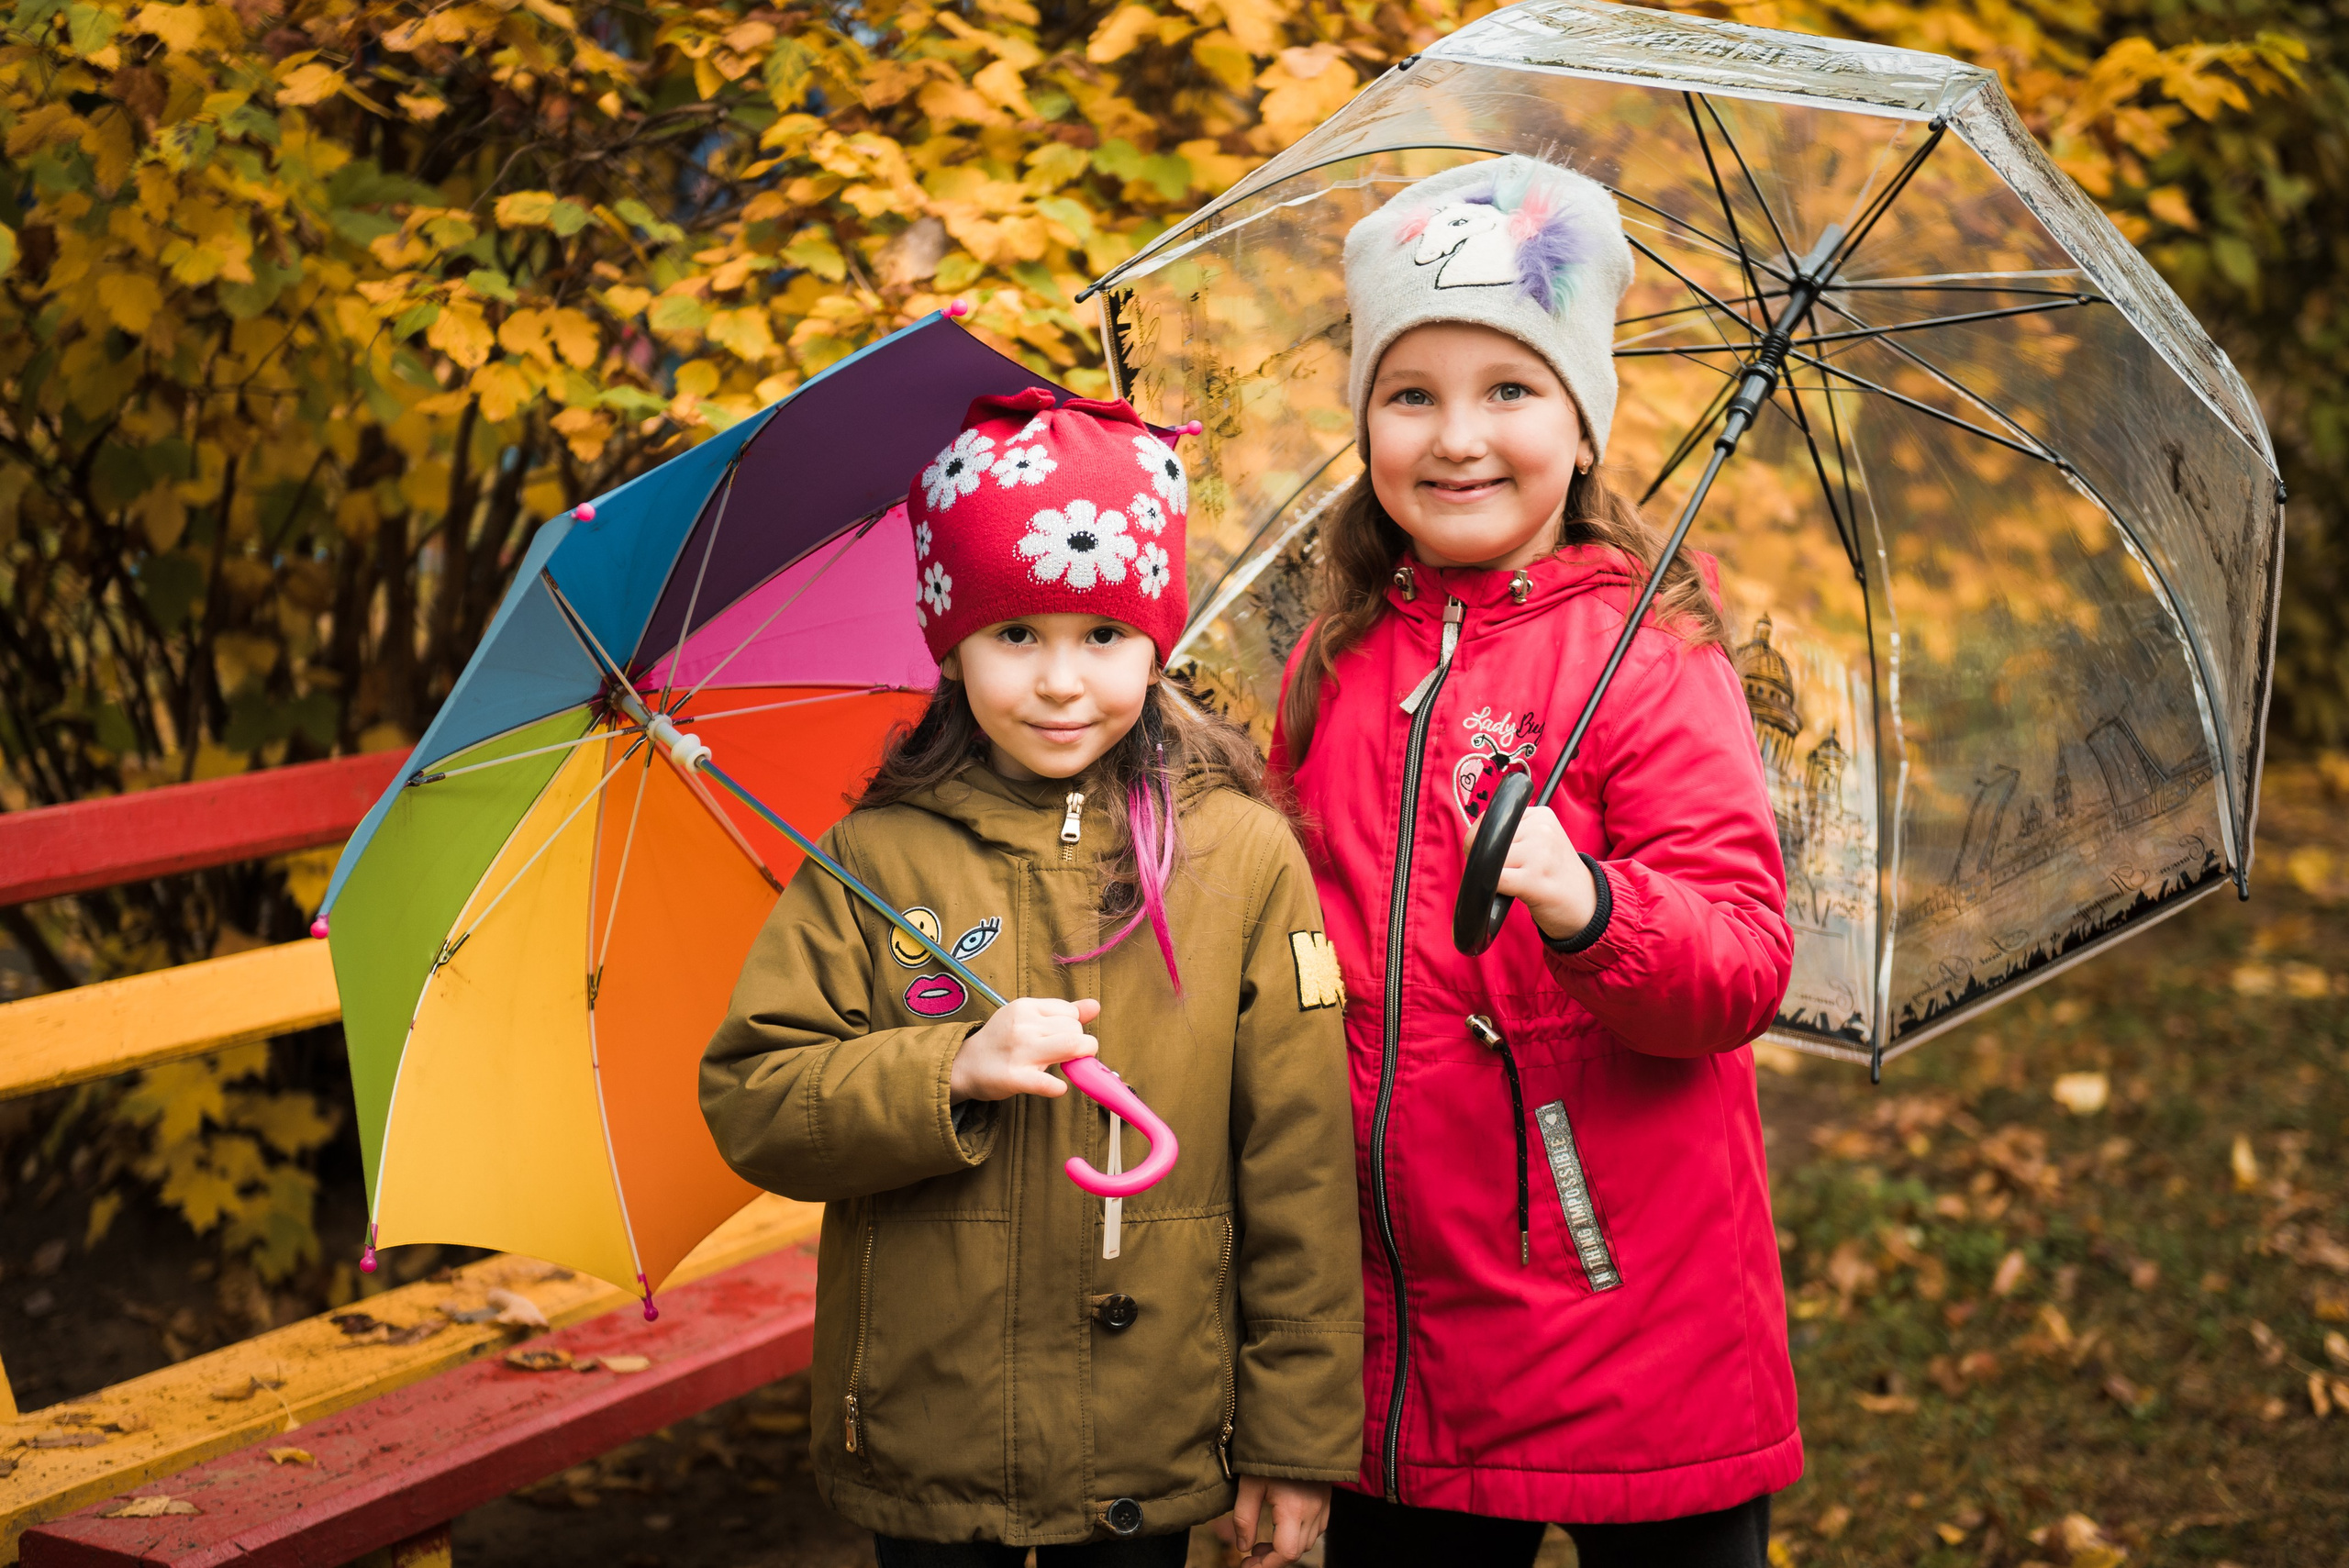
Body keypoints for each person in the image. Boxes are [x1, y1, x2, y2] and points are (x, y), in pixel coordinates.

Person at [703, 388, 1364, 1568]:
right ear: (950, 644)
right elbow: (756, 1097)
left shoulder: (1241, 856)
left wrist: (1292, 1438)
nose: (1061, 681)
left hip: (1153, 1423)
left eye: (1101, 636)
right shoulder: (875, 855)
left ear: (1159, 638)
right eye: (1016, 636)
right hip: (929, 1420)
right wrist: (946, 1068)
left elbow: (1300, 1161)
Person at [1267, 156, 1799, 1568]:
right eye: (1411, 393)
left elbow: (1738, 965)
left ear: (1583, 425)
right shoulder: (1336, 660)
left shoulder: (1654, 659)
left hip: (1634, 1318)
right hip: (1408, 1344)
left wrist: (1591, 904)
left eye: (1509, 390)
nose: (1458, 438)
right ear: (1367, 419)